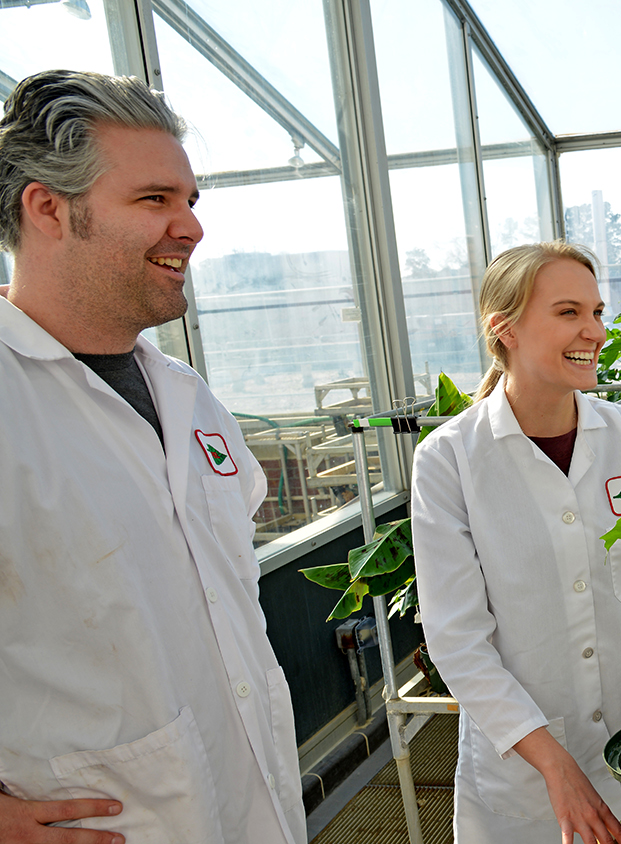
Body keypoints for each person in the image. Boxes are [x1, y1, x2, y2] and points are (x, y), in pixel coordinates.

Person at [0, 71, 305, 843]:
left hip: (245, 803)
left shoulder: (188, 396)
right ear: (49, 209)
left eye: (190, 201)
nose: (191, 228)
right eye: (154, 200)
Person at [410, 242, 621, 844]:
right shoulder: (450, 460)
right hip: (524, 772)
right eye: (569, 312)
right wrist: (555, 765)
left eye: (598, 312)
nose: (594, 331)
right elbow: (458, 641)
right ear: (506, 329)